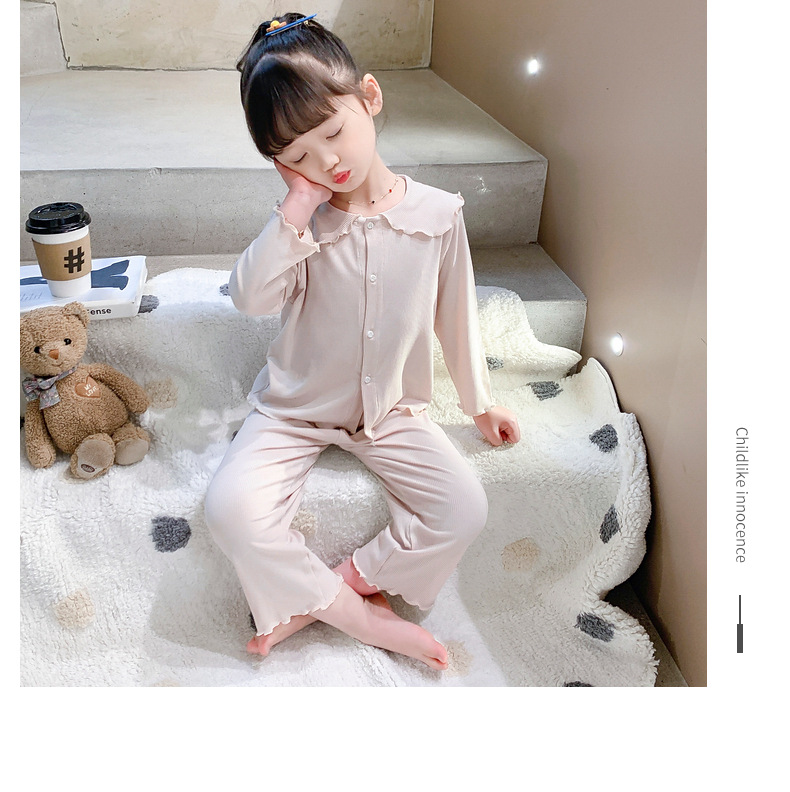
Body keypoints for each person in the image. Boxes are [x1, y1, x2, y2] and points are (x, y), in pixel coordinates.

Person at [204, 12, 520, 671]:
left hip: (391, 413)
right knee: (230, 511)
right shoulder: (301, 227)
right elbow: (249, 298)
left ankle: (342, 586)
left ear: (369, 97)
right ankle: (365, 620)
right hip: (294, 409)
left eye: (333, 133)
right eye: (297, 159)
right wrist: (295, 208)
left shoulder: (438, 216)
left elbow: (455, 314)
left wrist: (479, 403)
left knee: (465, 508)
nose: (327, 162)